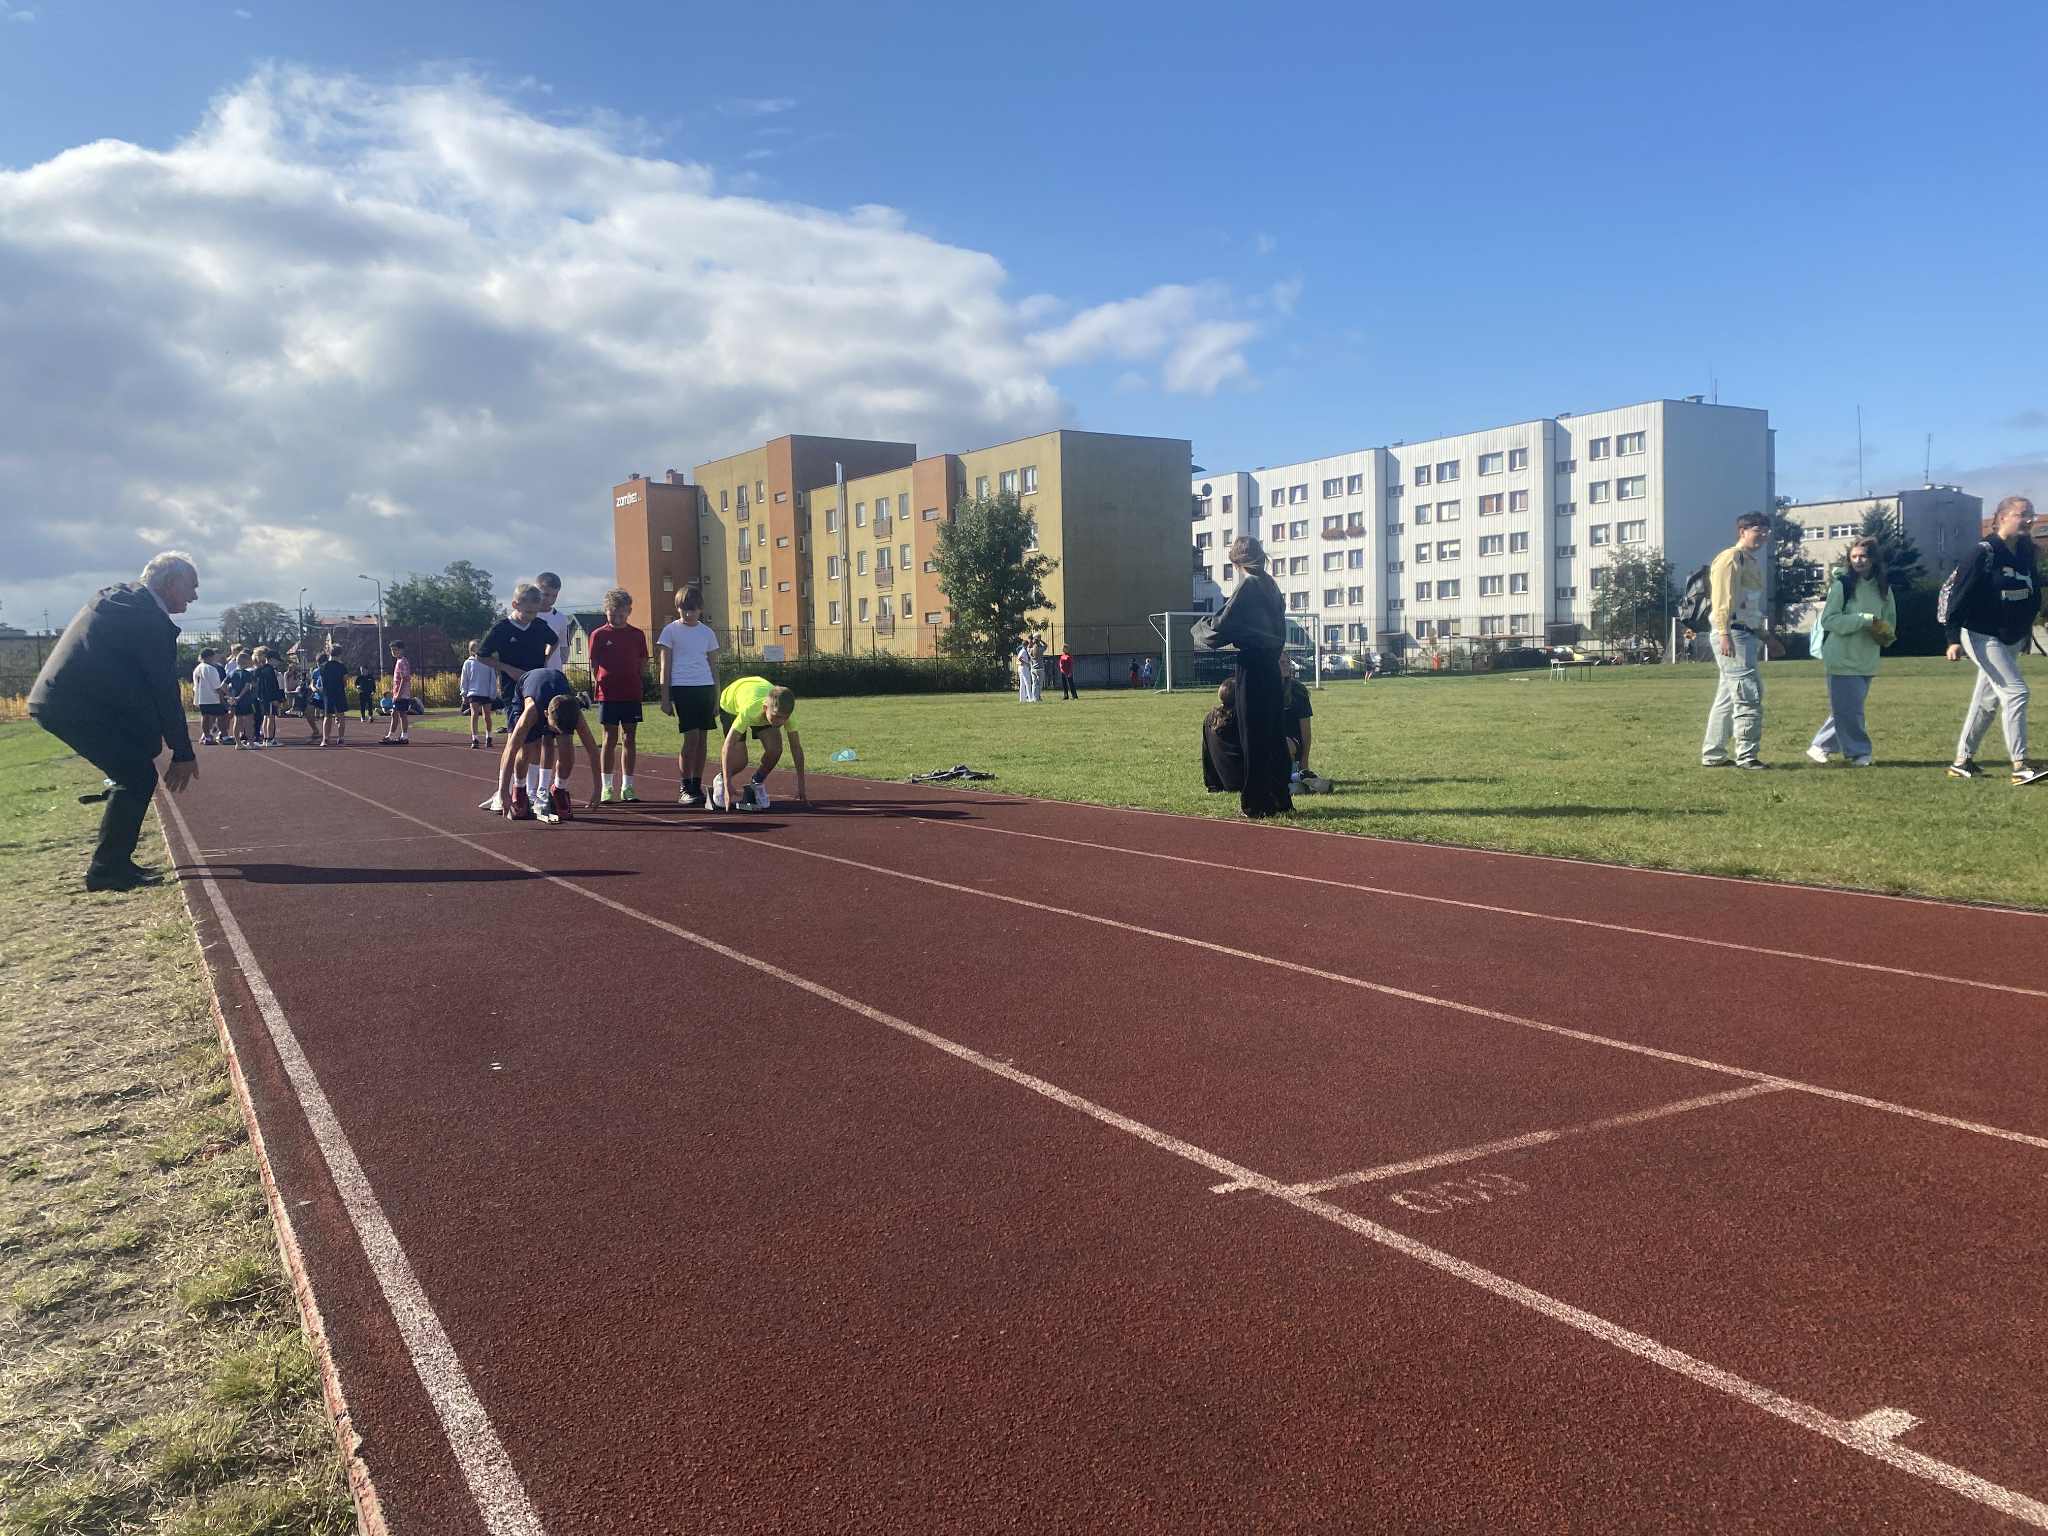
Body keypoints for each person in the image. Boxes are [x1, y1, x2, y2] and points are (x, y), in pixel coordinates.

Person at [27, 552, 201, 892]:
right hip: (74, 706)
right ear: (170, 583)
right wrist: (182, 752)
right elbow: (163, 689)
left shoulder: (121, 600)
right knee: (136, 775)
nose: (194, 596)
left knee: (136, 766)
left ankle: (114, 862)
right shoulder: (146, 618)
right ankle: (106, 869)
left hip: (65, 700)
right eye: (191, 587)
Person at [1945, 495, 2044, 785]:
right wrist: (1952, 638)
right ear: (2002, 518)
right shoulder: (1983, 552)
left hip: (2009, 638)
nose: (2029, 520)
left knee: (1986, 702)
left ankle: (1962, 762)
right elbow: (1958, 596)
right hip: (1980, 634)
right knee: (2016, 692)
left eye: (2031, 514)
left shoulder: (2025, 552)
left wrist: (2025, 630)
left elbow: (2033, 591)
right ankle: (2021, 766)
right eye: (2022, 514)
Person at [1193, 535, 1292, 818]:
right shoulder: (1271, 585)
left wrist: (1198, 629)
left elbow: (1223, 623)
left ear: (1237, 562)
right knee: (1273, 733)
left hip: (1253, 666)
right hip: (1271, 666)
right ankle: (1279, 797)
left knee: (1253, 735)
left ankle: (1256, 803)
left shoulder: (1248, 585)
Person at [1805, 537, 1896, 768]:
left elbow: (1890, 620)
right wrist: (1863, 620)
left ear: (1873, 559)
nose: (1858, 561)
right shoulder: (1842, 585)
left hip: (1867, 657)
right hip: (1841, 657)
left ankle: (1820, 746)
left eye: (1863, 556)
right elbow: (1829, 620)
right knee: (1851, 710)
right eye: (1854, 556)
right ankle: (1859, 753)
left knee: (1847, 708)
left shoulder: (1884, 588)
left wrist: (1884, 632)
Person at [477, 583, 561, 811]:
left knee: (536, 741)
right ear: (515, 604)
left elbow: (554, 641)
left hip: (537, 689)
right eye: (527, 612)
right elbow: (481, 655)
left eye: (535, 612)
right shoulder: (502, 628)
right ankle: (506, 791)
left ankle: (531, 792)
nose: (531, 616)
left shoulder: (539, 626)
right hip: (512, 691)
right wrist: (507, 668)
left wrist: (545, 660)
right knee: (518, 742)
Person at [1699, 510, 1771, 770]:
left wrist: (1765, 635)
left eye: (1766, 531)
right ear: (1742, 531)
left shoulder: (1751, 561)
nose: (1763, 535)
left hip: (1744, 633)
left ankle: (1713, 754)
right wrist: (1724, 633)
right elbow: (1722, 600)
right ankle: (1747, 756)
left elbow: (1748, 606)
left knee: (1728, 697)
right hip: (1732, 634)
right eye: (1757, 530)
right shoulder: (1731, 558)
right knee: (1747, 693)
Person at [491, 666, 601, 822]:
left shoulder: (574, 713)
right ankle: (520, 787)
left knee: (566, 747)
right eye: (554, 729)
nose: (554, 733)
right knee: (525, 750)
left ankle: (559, 789)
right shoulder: (531, 712)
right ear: (545, 715)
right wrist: (503, 791)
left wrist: (598, 788)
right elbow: (511, 749)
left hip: (558, 693)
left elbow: (593, 751)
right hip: (527, 687)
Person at [656, 586, 720, 807]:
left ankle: (696, 784)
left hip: (705, 687)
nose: (688, 613)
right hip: (683, 687)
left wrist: (717, 697)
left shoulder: (707, 633)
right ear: (677, 608)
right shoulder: (670, 631)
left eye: (692, 609)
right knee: (691, 738)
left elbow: (714, 667)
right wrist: (665, 698)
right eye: (683, 609)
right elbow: (665, 666)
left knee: (702, 739)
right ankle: (685, 787)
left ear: (700, 609)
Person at [588, 587, 649, 802]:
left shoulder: (637, 635)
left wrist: (639, 680)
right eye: (612, 613)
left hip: (631, 692)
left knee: (629, 737)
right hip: (608, 694)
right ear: (606, 611)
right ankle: (606, 787)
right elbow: (594, 663)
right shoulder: (598, 635)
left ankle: (627, 786)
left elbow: (643, 660)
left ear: (629, 611)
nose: (617, 617)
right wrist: (601, 681)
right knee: (609, 738)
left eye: (621, 613)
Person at [711, 675, 807, 812]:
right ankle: (720, 779)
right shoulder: (749, 711)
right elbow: (728, 746)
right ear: (765, 708)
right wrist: (727, 785)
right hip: (731, 703)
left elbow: (796, 748)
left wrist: (801, 784)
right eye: (776, 717)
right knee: (740, 761)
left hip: (758, 696)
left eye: (784, 718)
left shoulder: (785, 715)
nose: (780, 722)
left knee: (775, 749)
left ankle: (757, 781)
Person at [1279, 655, 1318, 786]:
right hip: (1271, 738)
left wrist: (1304, 760)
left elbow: (1306, 731)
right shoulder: (1263, 690)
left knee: (1284, 744)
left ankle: (1295, 775)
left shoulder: (1298, 691)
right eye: (1281, 662)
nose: (1285, 665)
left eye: (1287, 662)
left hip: (1292, 741)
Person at [1200, 678, 1245, 794]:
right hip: (1244, 779)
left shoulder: (1209, 718)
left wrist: (1212, 785)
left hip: (1224, 781)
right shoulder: (1241, 718)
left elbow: (1207, 754)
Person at [459, 640, 495, 748]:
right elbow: (464, 679)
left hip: (486, 693)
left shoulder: (488, 662)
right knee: (474, 714)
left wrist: (492, 692)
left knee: (487, 715)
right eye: (476, 647)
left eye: (480, 647)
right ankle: (475, 739)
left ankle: (489, 737)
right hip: (473, 692)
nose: (478, 649)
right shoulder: (468, 663)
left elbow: (492, 678)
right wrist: (464, 693)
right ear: (471, 650)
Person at [534, 571, 572, 675]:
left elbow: (564, 648)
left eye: (554, 596)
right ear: (535, 590)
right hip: (529, 672)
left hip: (553, 674)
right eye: (545, 595)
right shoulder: (525, 615)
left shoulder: (561, 618)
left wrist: (555, 665)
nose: (549, 599)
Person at [192, 646, 227, 745]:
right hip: (212, 698)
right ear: (209, 657)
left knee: (205, 717)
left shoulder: (198, 668)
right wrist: (223, 697)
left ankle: (207, 736)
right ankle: (224, 736)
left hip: (201, 697)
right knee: (222, 716)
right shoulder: (210, 668)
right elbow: (216, 686)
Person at [315, 649, 349, 747]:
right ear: (339, 655)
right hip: (339, 693)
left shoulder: (323, 666)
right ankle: (341, 739)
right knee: (341, 716)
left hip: (328, 694)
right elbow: (345, 681)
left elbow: (322, 681)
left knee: (327, 716)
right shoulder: (342, 666)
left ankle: (325, 739)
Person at [383, 641, 413, 743]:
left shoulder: (402, 662)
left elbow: (404, 679)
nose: (393, 652)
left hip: (402, 695)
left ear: (401, 650)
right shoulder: (399, 661)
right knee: (396, 714)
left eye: (395, 650)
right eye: (392, 650)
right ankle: (395, 735)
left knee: (400, 714)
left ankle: (402, 736)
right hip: (398, 694)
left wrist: (398, 695)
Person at [1015, 636, 1041, 703]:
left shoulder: (1022, 651)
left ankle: (1022, 699)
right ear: (1026, 645)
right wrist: (1026, 663)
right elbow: (1019, 659)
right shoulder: (1023, 651)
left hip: (1021, 668)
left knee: (1022, 684)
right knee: (1028, 683)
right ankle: (1030, 698)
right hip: (1024, 668)